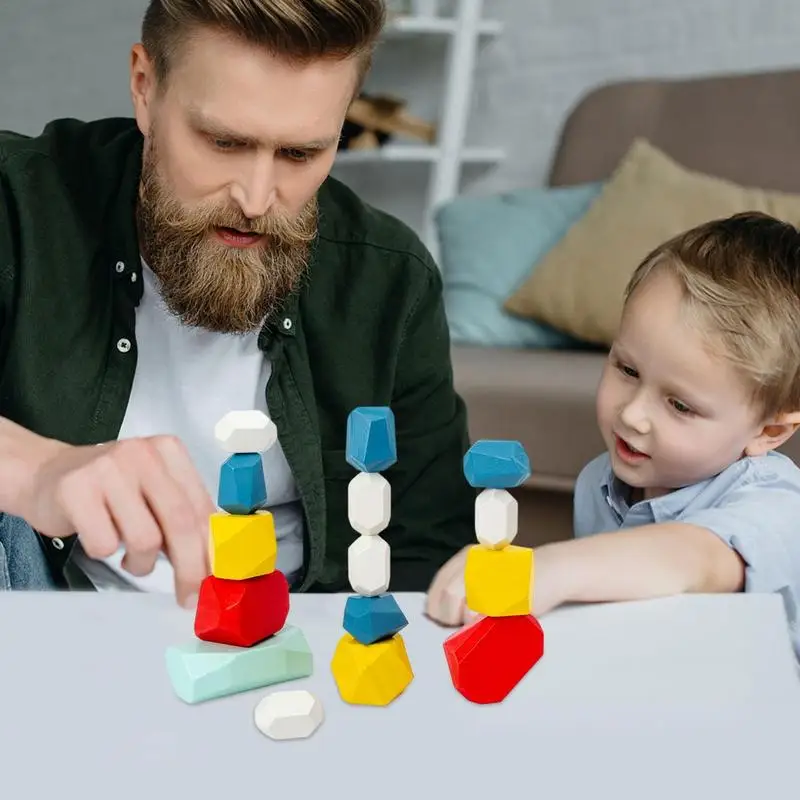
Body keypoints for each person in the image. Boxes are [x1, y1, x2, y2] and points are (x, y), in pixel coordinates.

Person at [0, 0, 477, 608]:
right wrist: (36, 471)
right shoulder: (17, 202)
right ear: (146, 88)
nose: (255, 199)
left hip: (295, 654)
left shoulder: (390, 277)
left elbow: (426, 549)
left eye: (301, 155)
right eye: (223, 142)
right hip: (52, 634)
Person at [427, 212, 800, 658]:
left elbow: (694, 559)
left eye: (680, 405)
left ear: (770, 430)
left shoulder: (775, 504)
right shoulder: (600, 482)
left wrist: (550, 566)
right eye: (627, 369)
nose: (633, 414)